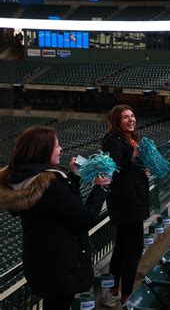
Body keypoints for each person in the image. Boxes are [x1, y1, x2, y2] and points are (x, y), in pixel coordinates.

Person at [0, 126, 111, 310]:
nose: (61, 150)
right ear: (43, 150)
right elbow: (84, 218)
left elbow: (58, 206)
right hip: (60, 267)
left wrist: (73, 176)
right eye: (57, 146)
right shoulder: (52, 184)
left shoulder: (27, 178)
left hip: (42, 263)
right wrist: (101, 188)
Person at [101, 105, 150, 307]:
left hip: (133, 200)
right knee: (133, 250)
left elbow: (129, 168)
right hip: (126, 204)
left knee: (121, 248)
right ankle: (125, 295)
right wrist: (133, 158)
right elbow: (113, 168)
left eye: (132, 115)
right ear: (116, 122)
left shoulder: (130, 138)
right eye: (125, 117)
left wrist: (141, 171)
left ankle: (114, 292)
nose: (131, 120)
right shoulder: (113, 141)